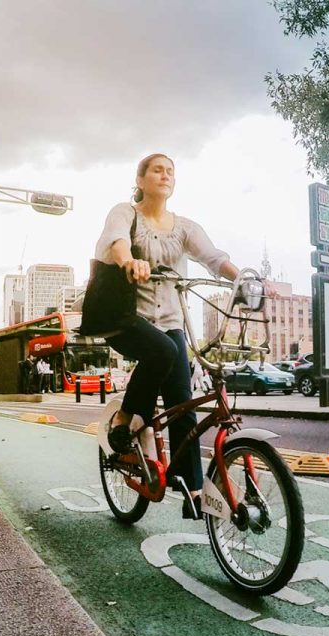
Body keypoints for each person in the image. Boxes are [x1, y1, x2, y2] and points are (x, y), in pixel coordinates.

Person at [94, 153, 248, 520]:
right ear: (141, 178)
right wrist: (129, 260)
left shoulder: (185, 227)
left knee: (184, 404)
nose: (165, 175)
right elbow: (117, 242)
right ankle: (125, 420)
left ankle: (192, 489)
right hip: (128, 317)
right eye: (157, 169)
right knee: (161, 351)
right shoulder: (125, 212)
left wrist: (242, 278)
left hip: (172, 321)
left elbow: (213, 258)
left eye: (170, 171)